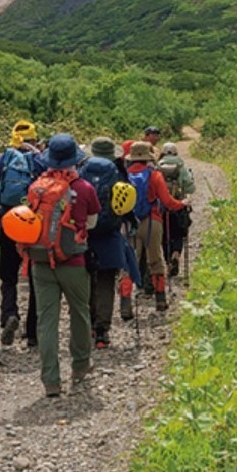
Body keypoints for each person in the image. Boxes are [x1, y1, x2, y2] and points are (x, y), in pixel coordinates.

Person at [24, 133, 101, 397]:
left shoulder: (37, 187)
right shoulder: (84, 188)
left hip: (41, 261)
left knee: (47, 320)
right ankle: (80, 366)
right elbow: (91, 224)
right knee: (79, 313)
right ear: (74, 161)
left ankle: (51, 380)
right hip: (74, 261)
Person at [0, 120, 45, 345]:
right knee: (34, 276)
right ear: (33, 138)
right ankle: (32, 333)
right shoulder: (39, 160)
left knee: (8, 275)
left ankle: (9, 314)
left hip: (8, 221)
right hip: (32, 222)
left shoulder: (2, 160)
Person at [81, 137, 142, 348]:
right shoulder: (118, 172)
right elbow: (127, 204)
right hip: (110, 235)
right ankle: (102, 332)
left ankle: (88, 324)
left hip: (85, 235)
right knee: (106, 281)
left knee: (88, 280)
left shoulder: (83, 171)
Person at [125, 141, 187, 311]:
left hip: (130, 224)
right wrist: (182, 204)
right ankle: (160, 299)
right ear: (148, 157)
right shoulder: (155, 175)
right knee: (155, 260)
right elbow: (167, 201)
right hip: (152, 221)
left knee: (130, 262)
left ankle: (125, 305)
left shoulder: (124, 176)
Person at [158, 142, 196, 277]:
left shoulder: (158, 166)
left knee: (164, 236)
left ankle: (168, 261)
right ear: (175, 152)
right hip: (179, 205)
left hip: (163, 207)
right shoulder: (182, 167)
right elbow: (190, 188)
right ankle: (176, 254)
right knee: (179, 234)